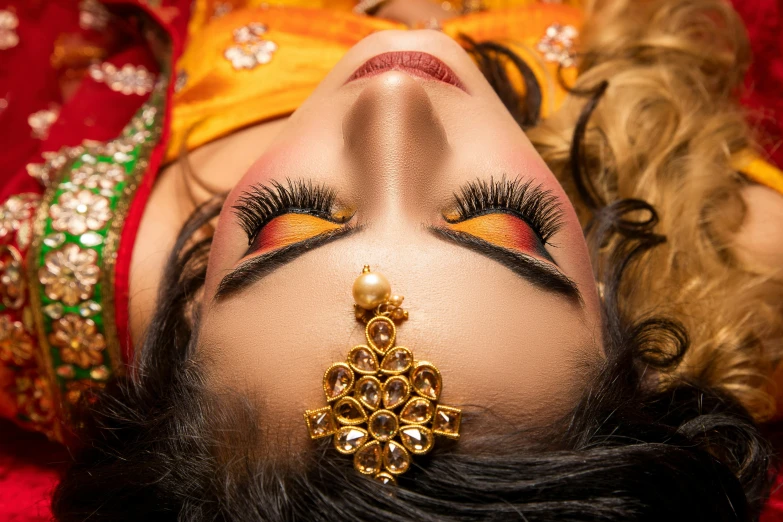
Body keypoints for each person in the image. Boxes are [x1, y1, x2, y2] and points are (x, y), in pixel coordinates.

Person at [0, 0, 781, 520]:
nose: (394, 102)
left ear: (190, 312)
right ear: (612, 307)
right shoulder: (746, 264)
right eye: (501, 223)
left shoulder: (63, 267)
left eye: (294, 219)